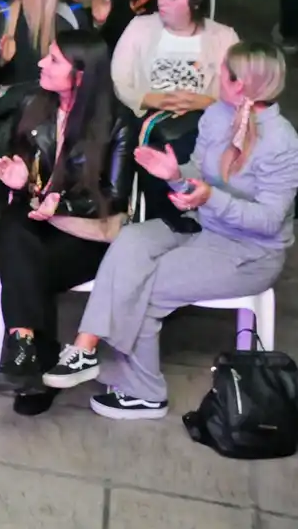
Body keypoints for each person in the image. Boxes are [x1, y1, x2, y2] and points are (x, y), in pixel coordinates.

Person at [43, 43, 298, 420]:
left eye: (224, 74)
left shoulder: (282, 142)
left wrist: (208, 197)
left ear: (242, 85)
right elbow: (196, 171)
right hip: (201, 225)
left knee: (145, 284)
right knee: (131, 240)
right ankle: (85, 346)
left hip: (248, 252)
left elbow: (268, 221)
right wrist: (177, 178)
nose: (216, 79)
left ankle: (145, 393)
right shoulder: (216, 115)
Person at [0, 32, 136, 412]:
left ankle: (28, 358)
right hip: (36, 220)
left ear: (81, 75)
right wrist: (22, 181)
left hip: (85, 234)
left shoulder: (119, 122)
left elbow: (114, 197)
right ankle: (26, 350)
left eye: (53, 60)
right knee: (15, 226)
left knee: (24, 258)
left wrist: (60, 203)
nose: (40, 64)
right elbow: (23, 175)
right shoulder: (35, 104)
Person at [111, 0, 238, 220]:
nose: (161, 2)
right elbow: (119, 80)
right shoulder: (140, 28)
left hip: (204, 124)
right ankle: (167, 215)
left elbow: (238, 91)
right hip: (148, 119)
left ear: (195, 2)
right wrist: (154, 99)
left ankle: (189, 209)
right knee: (164, 145)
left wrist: (202, 101)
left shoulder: (224, 37)